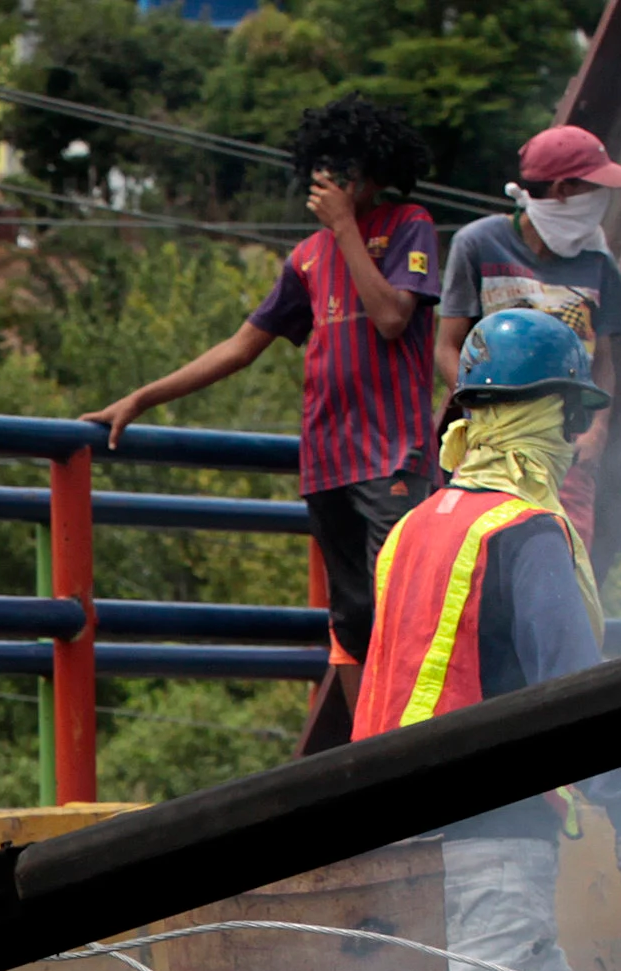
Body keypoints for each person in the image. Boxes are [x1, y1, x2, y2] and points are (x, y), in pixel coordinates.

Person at [352, 310, 621, 971]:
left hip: (394, 831)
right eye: (570, 414)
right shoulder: (524, 534)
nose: (575, 436)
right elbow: (576, 693)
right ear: (538, 416)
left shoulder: (414, 528)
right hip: (489, 840)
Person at [85, 94, 442, 755]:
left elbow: (392, 318)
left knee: (403, 608)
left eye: (346, 172)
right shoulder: (305, 258)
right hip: (327, 463)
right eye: (324, 170)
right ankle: (372, 755)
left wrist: (345, 230)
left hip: (394, 457)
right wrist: (139, 398)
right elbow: (237, 347)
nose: (332, 184)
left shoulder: (408, 225)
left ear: (374, 173)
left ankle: (410, 752)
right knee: (353, 619)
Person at [435, 124, 621, 535]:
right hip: (489, 451)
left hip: (566, 452)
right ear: (562, 190)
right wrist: (487, 416)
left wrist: (598, 429)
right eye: (595, 187)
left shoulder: (598, 259)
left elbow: (604, 360)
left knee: (566, 559)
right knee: (485, 559)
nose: (605, 199)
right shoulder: (478, 244)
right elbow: (447, 347)